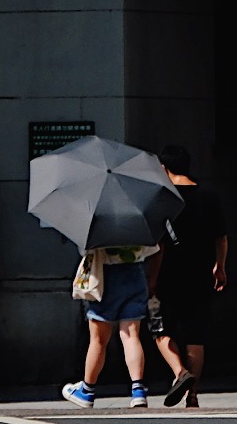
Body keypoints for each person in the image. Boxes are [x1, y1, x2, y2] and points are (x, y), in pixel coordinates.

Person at [152, 144, 227, 408]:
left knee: (160, 329)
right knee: (196, 336)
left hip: (169, 277)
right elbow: (221, 236)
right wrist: (220, 266)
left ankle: (180, 372)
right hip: (201, 275)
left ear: (164, 168)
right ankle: (192, 396)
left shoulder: (163, 201)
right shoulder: (209, 197)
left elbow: (159, 247)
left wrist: (152, 280)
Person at [61, 234, 158, 406]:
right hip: (135, 274)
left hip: (106, 277)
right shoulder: (137, 220)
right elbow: (151, 248)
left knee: (98, 339)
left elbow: (85, 250)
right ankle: (138, 390)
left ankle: (87, 391)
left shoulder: (100, 222)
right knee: (131, 335)